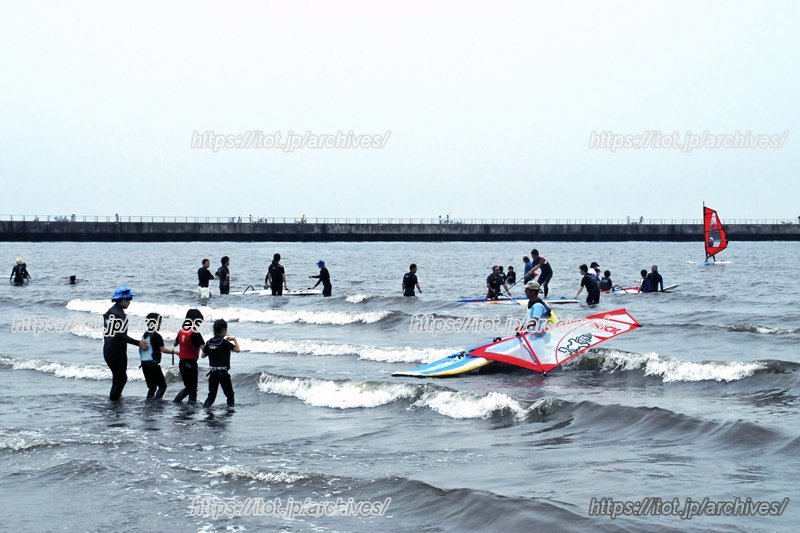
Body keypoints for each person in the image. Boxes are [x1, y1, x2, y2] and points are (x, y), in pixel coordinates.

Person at [102, 287, 148, 401]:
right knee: (121, 378)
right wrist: (138, 343)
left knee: (117, 377)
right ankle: (114, 401)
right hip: (116, 350)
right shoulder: (119, 314)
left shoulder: (111, 312)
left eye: (130, 299)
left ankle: (115, 399)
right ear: (121, 300)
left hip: (108, 348)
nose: (129, 302)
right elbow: (120, 335)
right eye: (128, 299)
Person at [201, 319, 241, 408]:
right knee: (230, 395)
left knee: (211, 397)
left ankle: (205, 411)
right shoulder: (224, 342)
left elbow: (203, 355)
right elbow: (237, 349)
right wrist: (234, 339)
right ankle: (229, 413)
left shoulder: (209, 342)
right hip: (223, 373)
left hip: (213, 372)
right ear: (223, 330)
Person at [173, 309, 205, 404]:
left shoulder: (181, 331)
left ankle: (177, 402)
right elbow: (205, 349)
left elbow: (174, 343)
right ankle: (190, 407)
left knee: (188, 387)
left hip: (182, 363)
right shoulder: (196, 334)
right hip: (191, 364)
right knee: (192, 389)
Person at [139, 313, 173, 400]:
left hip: (144, 364)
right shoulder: (157, 336)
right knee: (162, 386)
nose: (160, 324)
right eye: (160, 322)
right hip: (153, 364)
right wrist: (175, 352)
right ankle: (156, 403)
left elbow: (141, 350)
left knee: (152, 387)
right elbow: (163, 349)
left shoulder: (144, 335)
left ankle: (149, 402)